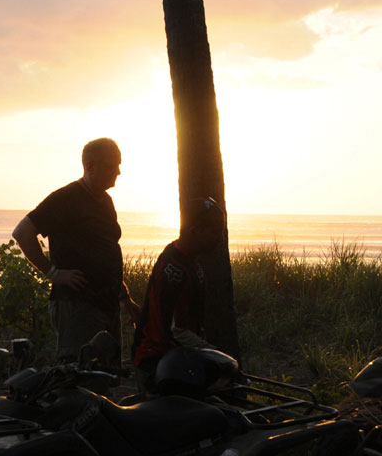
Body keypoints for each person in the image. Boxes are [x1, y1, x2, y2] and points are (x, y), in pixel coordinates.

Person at [12, 137, 140, 361]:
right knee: (80, 375)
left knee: (109, 374)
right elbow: (22, 232)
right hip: (78, 306)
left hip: (107, 305)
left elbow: (104, 253)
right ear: (90, 166)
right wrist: (53, 273)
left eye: (119, 165)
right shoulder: (66, 199)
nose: (118, 172)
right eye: (111, 166)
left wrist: (124, 298)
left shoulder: (106, 202)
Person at [132, 197, 226, 384]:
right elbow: (176, 331)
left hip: (176, 358)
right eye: (215, 232)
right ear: (194, 231)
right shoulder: (174, 269)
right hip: (158, 361)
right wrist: (215, 354)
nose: (220, 238)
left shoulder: (188, 260)